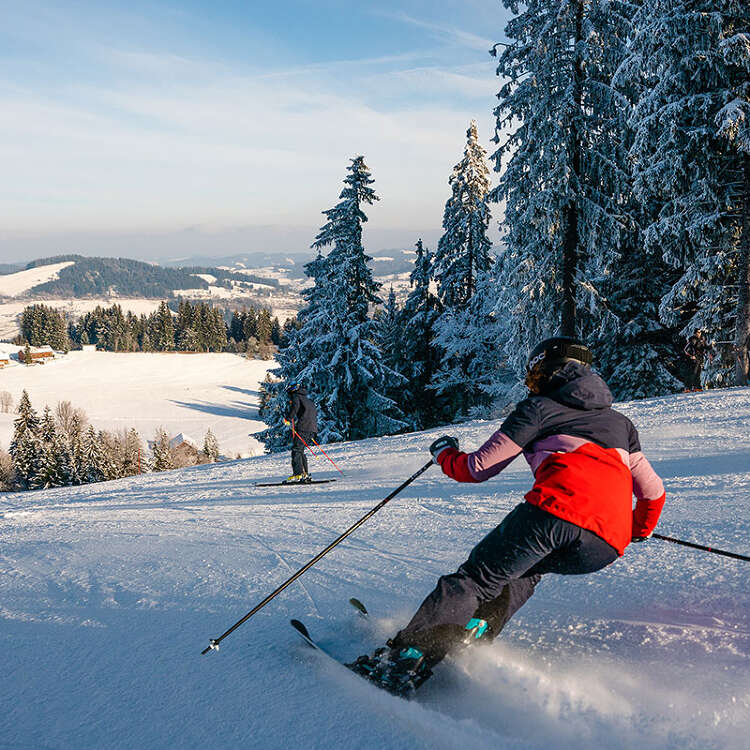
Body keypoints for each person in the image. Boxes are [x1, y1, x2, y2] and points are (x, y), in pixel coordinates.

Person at [348, 337, 666, 696]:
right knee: (524, 573)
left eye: (536, 373)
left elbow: (477, 467)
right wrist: (637, 529)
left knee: (472, 580)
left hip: (555, 513)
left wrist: (444, 454)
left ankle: (403, 661)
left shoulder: (539, 408)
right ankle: (470, 635)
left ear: (552, 370)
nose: (532, 382)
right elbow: (653, 492)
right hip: (606, 545)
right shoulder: (621, 424)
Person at [284, 382, 318, 483]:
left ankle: (298, 474)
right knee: (300, 450)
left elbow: (295, 408)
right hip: (312, 429)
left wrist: (288, 418)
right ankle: (304, 473)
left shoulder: (296, 397)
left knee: (296, 450)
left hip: (304, 427)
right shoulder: (307, 399)